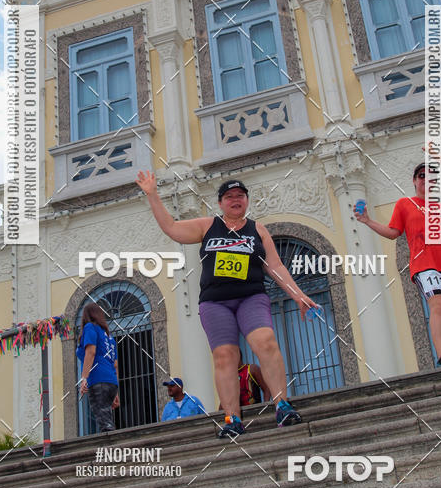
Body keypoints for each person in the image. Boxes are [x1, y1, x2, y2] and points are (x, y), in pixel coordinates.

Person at [135, 172, 318, 438]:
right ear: (220, 203)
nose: (235, 200)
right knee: (225, 358)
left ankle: (282, 405)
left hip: (251, 297)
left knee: (266, 341)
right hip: (215, 303)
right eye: (229, 197)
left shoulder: (257, 230)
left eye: (240, 196)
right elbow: (172, 228)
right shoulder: (208, 226)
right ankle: (232, 418)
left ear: (246, 201)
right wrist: (152, 194)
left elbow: (275, 265)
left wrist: (298, 295)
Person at [354, 163, 441, 367]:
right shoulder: (405, 204)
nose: (426, 180)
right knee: (438, 305)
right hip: (424, 265)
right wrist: (368, 221)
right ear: (415, 180)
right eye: (422, 176)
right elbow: (393, 232)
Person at [77, 303, 119, 432]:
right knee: (106, 419)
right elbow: (115, 365)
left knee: (105, 424)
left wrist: (84, 378)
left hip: (98, 380)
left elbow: (91, 352)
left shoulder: (90, 327)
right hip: (111, 382)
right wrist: (116, 393)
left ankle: (110, 449)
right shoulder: (110, 338)